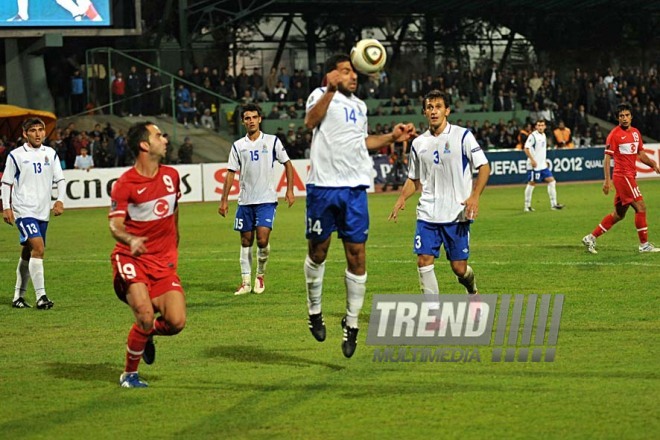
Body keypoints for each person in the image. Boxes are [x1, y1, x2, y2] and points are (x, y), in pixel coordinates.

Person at [303, 54, 416, 358]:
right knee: (318, 252)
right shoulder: (319, 95)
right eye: (345, 71)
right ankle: (314, 311)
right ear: (331, 74)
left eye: (354, 72)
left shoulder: (360, 106)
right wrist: (329, 88)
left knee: (357, 256)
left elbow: (362, 142)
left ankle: (351, 323)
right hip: (323, 189)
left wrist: (392, 136)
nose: (353, 76)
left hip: (355, 190)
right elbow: (310, 122)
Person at [388, 90, 489, 316]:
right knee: (424, 260)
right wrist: (402, 198)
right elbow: (414, 179)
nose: (433, 111)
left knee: (459, 268)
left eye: (438, 106)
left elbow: (484, 167)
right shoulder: (418, 143)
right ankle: (433, 315)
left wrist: (475, 196)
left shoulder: (463, 136)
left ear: (447, 111)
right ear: (424, 112)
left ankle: (472, 291)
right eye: (430, 107)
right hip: (428, 214)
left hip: (456, 213)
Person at [109, 121, 186, 388]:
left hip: (162, 263)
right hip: (131, 258)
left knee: (176, 322)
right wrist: (130, 239)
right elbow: (115, 225)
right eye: (158, 136)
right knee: (143, 313)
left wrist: (174, 242)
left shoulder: (171, 176)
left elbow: (174, 210)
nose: (165, 139)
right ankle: (129, 375)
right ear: (145, 145)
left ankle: (146, 333)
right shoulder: (125, 184)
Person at [218, 104, 295, 295]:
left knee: (262, 239)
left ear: (260, 119)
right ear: (243, 121)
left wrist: (290, 190)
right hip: (245, 201)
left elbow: (288, 164)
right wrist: (224, 200)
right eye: (247, 118)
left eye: (254, 117)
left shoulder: (272, 141)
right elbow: (230, 174)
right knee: (246, 241)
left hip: (266, 200)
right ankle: (245, 282)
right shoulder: (238, 145)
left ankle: (260, 276)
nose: (251, 121)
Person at [1, 118, 65, 309]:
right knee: (39, 248)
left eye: (40, 130)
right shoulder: (16, 156)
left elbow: (60, 180)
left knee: (28, 252)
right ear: (25, 134)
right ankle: (41, 297)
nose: (38, 134)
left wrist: (60, 199)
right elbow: (6, 183)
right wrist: (6, 207)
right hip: (24, 210)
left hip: (42, 211)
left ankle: (18, 297)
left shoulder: (51, 154)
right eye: (33, 130)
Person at [582, 103, 660, 254]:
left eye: (627, 115)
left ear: (631, 116)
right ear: (618, 118)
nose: (624, 118)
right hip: (623, 176)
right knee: (641, 207)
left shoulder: (636, 133)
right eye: (621, 116)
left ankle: (591, 237)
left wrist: (653, 164)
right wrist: (606, 180)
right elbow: (607, 158)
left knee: (619, 215)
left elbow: (641, 154)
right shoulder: (614, 135)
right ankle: (644, 245)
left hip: (630, 176)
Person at [523, 119, 565, 212]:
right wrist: (532, 160)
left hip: (542, 165)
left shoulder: (543, 135)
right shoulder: (533, 136)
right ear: (536, 127)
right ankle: (527, 206)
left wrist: (544, 161)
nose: (541, 127)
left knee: (552, 181)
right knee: (532, 183)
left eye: (542, 125)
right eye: (539, 125)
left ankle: (554, 204)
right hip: (534, 165)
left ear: (545, 126)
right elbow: (526, 148)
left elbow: (541, 150)